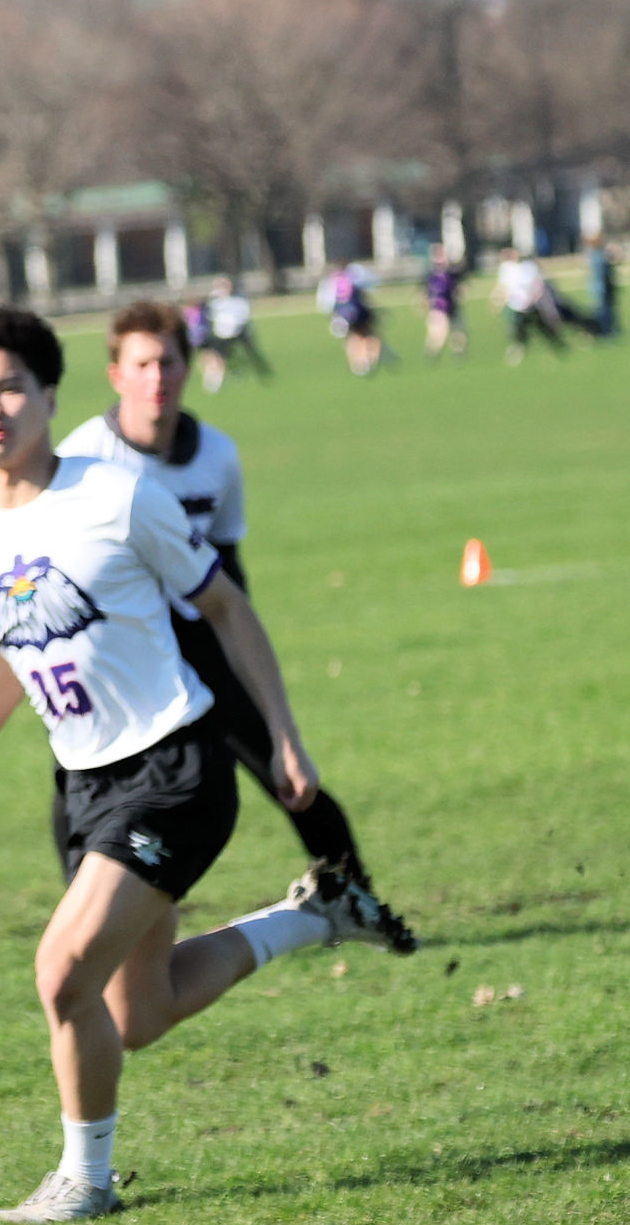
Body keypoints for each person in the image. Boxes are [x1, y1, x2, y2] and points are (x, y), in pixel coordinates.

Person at [0, 305, 399, 1225]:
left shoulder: (119, 497)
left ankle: (85, 1181)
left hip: (176, 766)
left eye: (10, 387)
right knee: (139, 1014)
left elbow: (228, 609)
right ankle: (315, 916)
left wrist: (285, 736)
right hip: (84, 786)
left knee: (62, 974)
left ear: (50, 394)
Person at [57, 300, 413, 943]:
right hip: (125, 652)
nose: (157, 377)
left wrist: (240, 650)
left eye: (168, 362)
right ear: (116, 374)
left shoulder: (217, 456)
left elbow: (228, 563)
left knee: (288, 771)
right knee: (84, 785)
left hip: (202, 637)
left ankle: (355, 898)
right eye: (142, 364)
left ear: (188, 366)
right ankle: (90, 929)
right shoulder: (83, 459)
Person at [492, 247, 568, 365]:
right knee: (517, 330)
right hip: (515, 305)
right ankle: (519, 349)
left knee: (543, 327)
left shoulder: (528, 267)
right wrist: (498, 300)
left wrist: (536, 298)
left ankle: (558, 344)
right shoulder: (506, 269)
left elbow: (539, 284)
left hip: (532, 304)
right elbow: (503, 286)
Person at [197, 276, 270, 392]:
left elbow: (243, 315)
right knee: (215, 357)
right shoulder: (214, 302)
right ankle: (215, 379)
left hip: (236, 333)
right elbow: (208, 316)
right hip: (221, 335)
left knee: (250, 353)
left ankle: (262, 372)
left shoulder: (238, 300)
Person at [422, 244, 467, 361]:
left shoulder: (451, 273)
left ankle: (458, 354)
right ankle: (431, 354)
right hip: (439, 308)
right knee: (439, 334)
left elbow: (458, 287)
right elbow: (426, 292)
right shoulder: (432, 275)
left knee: (459, 331)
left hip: (452, 307)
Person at [583, 232, 618, 338]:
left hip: (598, 288)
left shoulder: (594, 255)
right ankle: (603, 331)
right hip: (601, 288)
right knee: (603, 311)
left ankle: (601, 330)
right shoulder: (599, 256)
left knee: (601, 310)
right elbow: (604, 271)